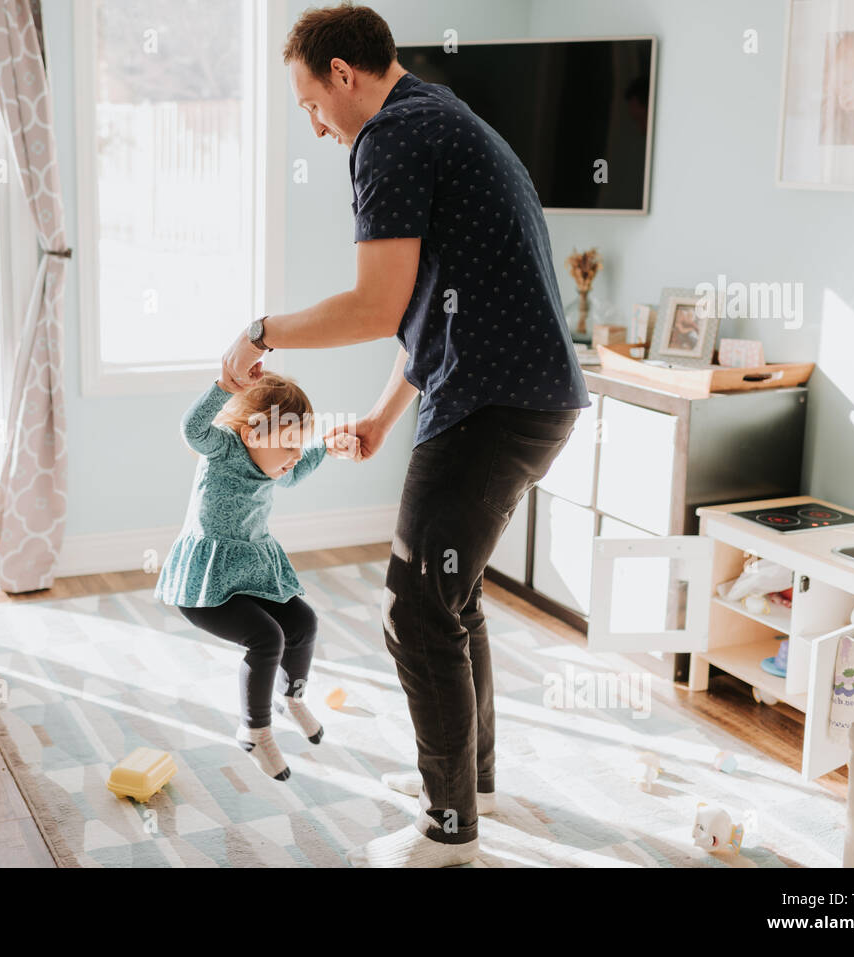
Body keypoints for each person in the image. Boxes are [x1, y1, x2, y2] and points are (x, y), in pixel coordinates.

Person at [220, 2, 589, 866]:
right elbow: (431, 308)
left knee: (414, 608)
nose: (314, 126)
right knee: (453, 598)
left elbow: (374, 306)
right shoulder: (441, 113)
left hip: (495, 402)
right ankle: (474, 788)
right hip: (527, 396)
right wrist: (386, 416)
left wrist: (262, 329)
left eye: (310, 104)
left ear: (343, 75)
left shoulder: (386, 139)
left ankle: (448, 829)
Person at [155, 372, 358, 781]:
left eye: (299, 445)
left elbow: (299, 470)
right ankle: (254, 729)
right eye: (288, 444)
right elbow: (192, 428)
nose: (295, 456)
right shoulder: (223, 450)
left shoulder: (276, 466)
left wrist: (327, 448)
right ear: (252, 435)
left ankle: (291, 697)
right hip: (207, 586)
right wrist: (225, 386)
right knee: (268, 639)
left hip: (251, 573)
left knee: (304, 623)